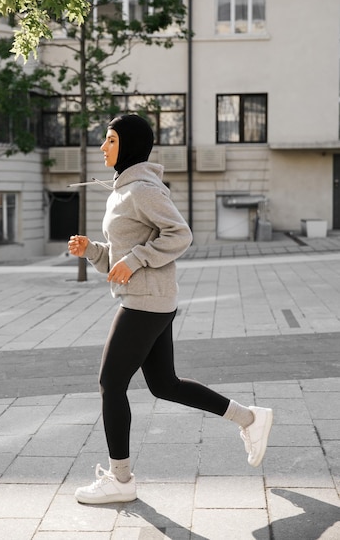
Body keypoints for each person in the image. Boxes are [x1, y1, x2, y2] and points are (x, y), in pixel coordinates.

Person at [68, 114, 273, 505]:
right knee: (165, 385)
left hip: (146, 302)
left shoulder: (143, 189)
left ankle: (120, 478)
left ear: (126, 145)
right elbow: (119, 255)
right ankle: (250, 419)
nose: (102, 147)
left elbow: (180, 233)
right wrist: (92, 250)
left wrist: (139, 260)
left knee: (111, 383)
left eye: (110, 140)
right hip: (150, 300)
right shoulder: (123, 190)